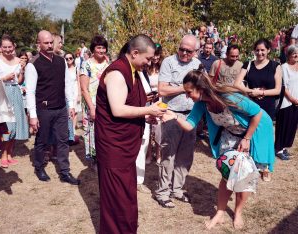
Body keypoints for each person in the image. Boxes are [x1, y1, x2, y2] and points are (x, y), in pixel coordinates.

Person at [162, 68, 274, 229]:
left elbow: (257, 113)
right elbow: (189, 125)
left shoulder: (228, 97)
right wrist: (173, 116)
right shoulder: (201, 104)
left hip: (254, 131)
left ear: (200, 89)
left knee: (245, 175)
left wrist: (247, 139)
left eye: (189, 92)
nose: (186, 96)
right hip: (231, 133)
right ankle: (220, 213)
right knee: (227, 173)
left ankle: (238, 212)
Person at [95, 34, 166, 233]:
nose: (150, 62)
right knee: (116, 198)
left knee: (126, 196)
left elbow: (130, 106)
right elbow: (117, 109)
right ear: (135, 53)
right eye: (148, 58)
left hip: (126, 146)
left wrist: (145, 116)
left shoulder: (134, 71)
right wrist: (148, 111)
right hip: (113, 146)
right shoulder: (118, 73)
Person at [25, 30, 80, 185]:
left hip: (61, 107)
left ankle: (65, 172)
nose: (49, 45)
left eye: (51, 42)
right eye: (46, 43)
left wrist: (70, 105)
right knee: (42, 141)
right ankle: (39, 167)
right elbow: (30, 92)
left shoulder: (61, 61)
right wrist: (33, 115)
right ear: (39, 44)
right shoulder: (33, 64)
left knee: (63, 141)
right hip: (44, 109)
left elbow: (67, 84)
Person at [154, 35, 200, 208]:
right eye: (181, 49)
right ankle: (162, 192)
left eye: (188, 51)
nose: (184, 53)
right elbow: (162, 89)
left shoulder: (197, 64)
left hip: (191, 115)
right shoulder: (168, 62)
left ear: (195, 51)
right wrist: (185, 87)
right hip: (171, 113)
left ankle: (177, 189)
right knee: (168, 155)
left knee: (185, 156)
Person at [0, 34, 28, 168]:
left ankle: (9, 154)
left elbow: (20, 81)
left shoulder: (18, 60)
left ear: (14, 46)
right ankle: (3, 154)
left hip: (15, 93)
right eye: (4, 47)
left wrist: (22, 70)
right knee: (7, 127)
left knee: (15, 126)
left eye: (9, 47)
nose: (7, 49)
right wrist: (3, 78)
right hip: (2, 94)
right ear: (1, 47)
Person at [234, 39, 282, 120]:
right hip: (250, 105)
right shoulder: (248, 65)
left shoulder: (275, 66)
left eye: (262, 50)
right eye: (257, 50)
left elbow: (277, 90)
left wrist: (260, 92)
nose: (260, 53)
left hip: (268, 107)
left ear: (268, 50)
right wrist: (251, 91)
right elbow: (236, 84)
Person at [80, 35, 109, 163]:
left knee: (105, 130)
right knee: (92, 131)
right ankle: (94, 158)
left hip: (106, 102)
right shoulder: (86, 65)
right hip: (91, 102)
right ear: (93, 49)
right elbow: (84, 89)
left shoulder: (109, 64)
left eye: (103, 48)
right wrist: (91, 107)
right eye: (98, 47)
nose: (101, 51)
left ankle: (104, 155)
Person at [275, 45, 298, 160]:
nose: (296, 55)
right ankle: (278, 149)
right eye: (294, 53)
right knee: (283, 125)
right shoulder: (283, 67)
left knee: (291, 126)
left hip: (296, 102)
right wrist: (292, 99)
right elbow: (283, 86)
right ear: (288, 55)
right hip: (286, 102)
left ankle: (284, 147)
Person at [64, 52, 81, 142]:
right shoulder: (64, 69)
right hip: (68, 92)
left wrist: (79, 95)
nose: (69, 60)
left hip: (75, 91)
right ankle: (69, 130)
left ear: (73, 59)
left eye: (70, 58)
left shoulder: (76, 69)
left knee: (75, 112)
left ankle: (73, 130)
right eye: (66, 59)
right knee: (69, 112)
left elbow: (78, 82)